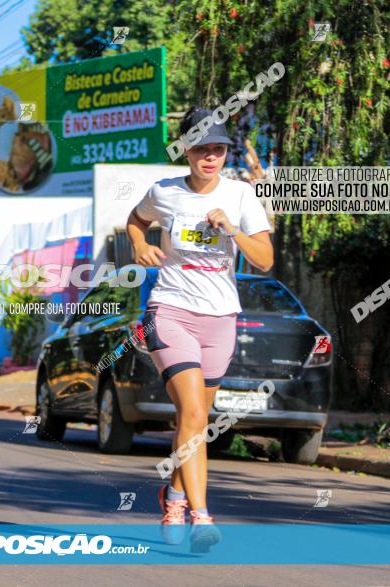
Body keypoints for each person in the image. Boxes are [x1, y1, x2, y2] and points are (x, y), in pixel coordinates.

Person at [127, 107, 273, 551]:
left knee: (195, 420)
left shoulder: (242, 196)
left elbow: (264, 261)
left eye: (218, 150)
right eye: (202, 149)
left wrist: (231, 229)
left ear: (226, 153)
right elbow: (136, 221)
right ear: (186, 151)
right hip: (170, 309)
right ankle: (201, 516)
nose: (210, 158)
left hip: (220, 318)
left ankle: (173, 494)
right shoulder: (164, 191)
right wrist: (139, 245)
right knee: (192, 413)